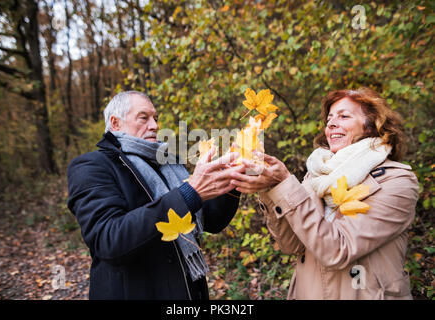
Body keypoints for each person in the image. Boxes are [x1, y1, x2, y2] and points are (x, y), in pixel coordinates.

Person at [230, 87, 419, 299]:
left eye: (344, 116)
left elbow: (338, 250)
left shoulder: (396, 182)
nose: (331, 124)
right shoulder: (317, 176)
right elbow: (292, 244)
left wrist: (284, 183)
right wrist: (270, 188)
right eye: (329, 119)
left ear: (370, 126)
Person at [67, 91, 243, 300]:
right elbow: (109, 239)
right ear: (115, 123)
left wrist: (233, 180)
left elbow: (212, 221)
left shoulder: (169, 163)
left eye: (155, 118)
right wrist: (188, 194)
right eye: (144, 117)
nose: (155, 125)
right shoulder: (92, 166)